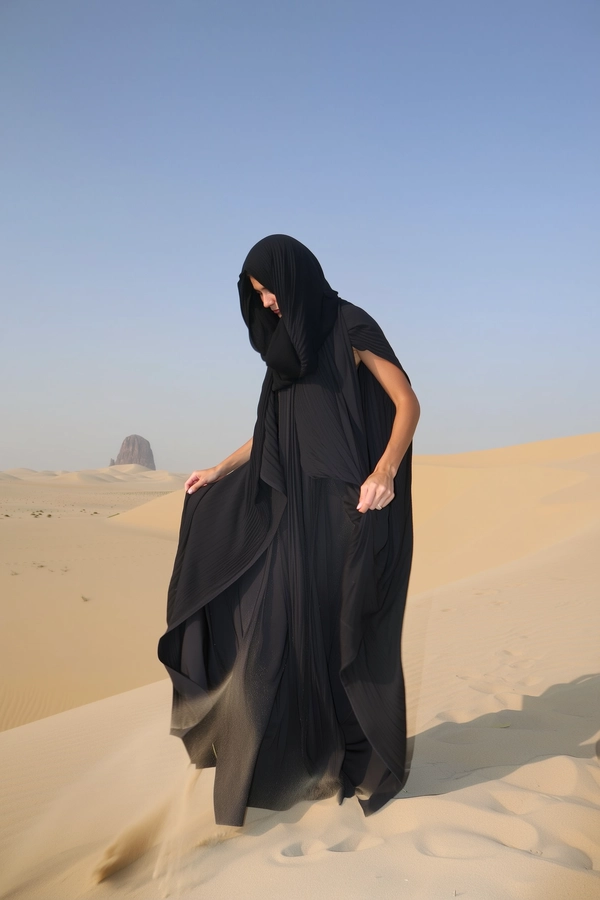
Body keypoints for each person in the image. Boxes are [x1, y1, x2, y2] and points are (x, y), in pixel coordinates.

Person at [157, 234, 420, 829]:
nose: (267, 302)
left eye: (269, 289)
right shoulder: (286, 350)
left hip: (349, 511)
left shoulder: (351, 325)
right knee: (275, 629)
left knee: (345, 634)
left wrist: (384, 472)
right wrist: (218, 469)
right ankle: (288, 765)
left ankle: (361, 764)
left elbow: (407, 403)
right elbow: (274, 431)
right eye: (257, 295)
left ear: (294, 276)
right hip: (293, 514)